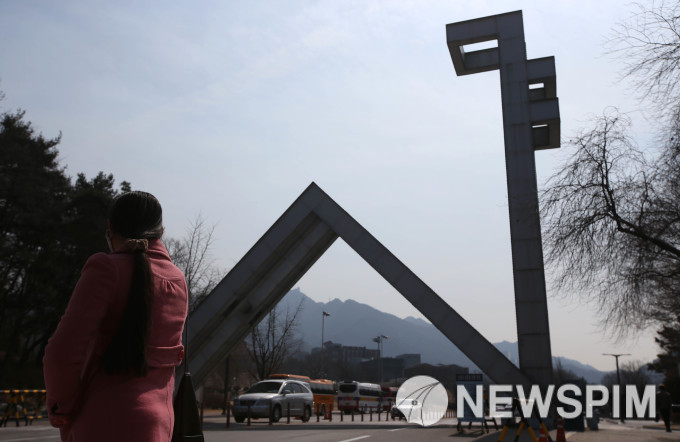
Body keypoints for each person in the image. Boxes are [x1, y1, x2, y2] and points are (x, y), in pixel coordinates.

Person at [43, 191, 188, 442]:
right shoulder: (177, 280)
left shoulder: (107, 268)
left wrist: (61, 406)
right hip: (158, 425)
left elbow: (62, 353)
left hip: (104, 420)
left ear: (110, 229)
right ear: (161, 232)